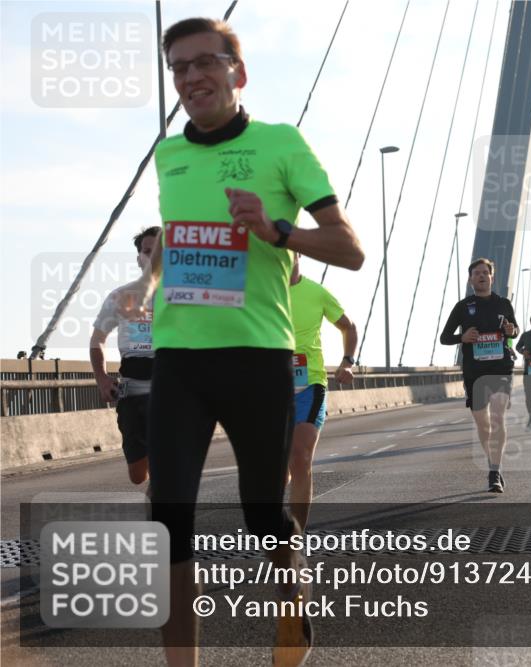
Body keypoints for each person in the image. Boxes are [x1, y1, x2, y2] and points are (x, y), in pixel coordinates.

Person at [126, 17, 364, 667]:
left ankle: (293, 598)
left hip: (258, 358)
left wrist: (278, 230)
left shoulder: (282, 145)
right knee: (168, 523)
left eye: (206, 62)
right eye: (178, 67)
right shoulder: (170, 155)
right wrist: (148, 287)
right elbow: (174, 239)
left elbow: (351, 249)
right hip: (179, 358)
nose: (191, 75)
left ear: (239, 72)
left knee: (263, 515)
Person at [288, 252, 357, 530]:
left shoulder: (316, 293)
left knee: (301, 456)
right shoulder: (259, 293)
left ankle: (293, 539)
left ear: (298, 253)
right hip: (269, 388)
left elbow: (348, 327)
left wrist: (348, 361)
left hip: (309, 384)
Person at [440, 258, 519, 493]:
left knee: (497, 418)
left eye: (485, 273)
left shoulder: (503, 304)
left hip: (500, 368)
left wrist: (511, 330)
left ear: (492, 277)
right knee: (483, 426)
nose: (482, 276)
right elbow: (445, 337)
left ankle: (495, 471)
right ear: (470, 278)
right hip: (475, 372)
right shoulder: (463, 307)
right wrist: (461, 338)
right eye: (477, 273)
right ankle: (492, 462)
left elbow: (514, 328)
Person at [90, 226, 159, 485]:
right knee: (138, 475)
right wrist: (102, 379)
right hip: (131, 392)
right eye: (147, 251)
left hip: (168, 388)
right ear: (139, 258)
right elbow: (97, 341)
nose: (152, 257)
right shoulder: (121, 296)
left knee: (164, 464)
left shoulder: (183, 297)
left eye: (159, 252)